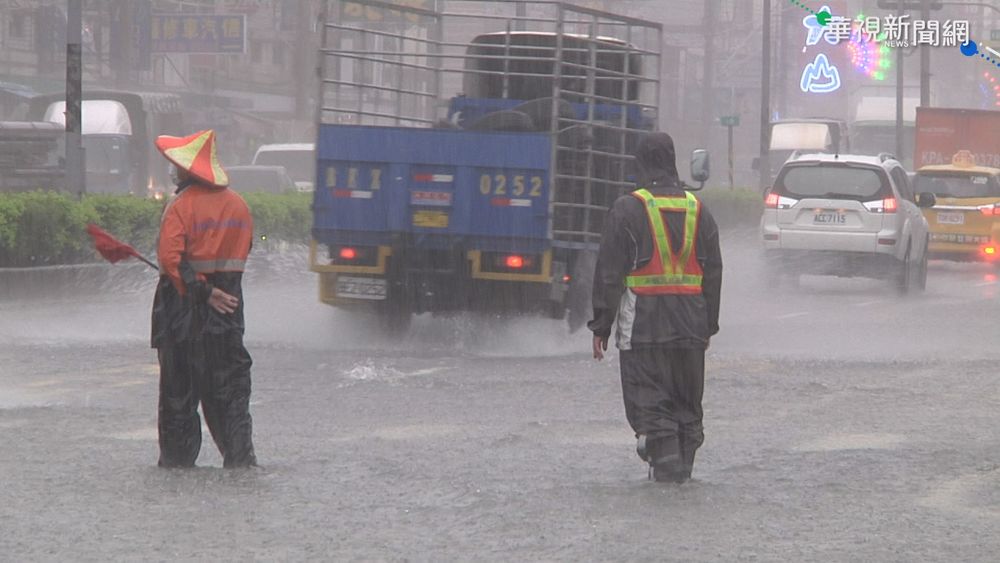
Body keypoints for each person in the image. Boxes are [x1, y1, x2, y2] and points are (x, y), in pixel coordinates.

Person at [589, 132, 722, 483]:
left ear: (641, 164)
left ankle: (664, 480)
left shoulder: (628, 209)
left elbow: (609, 272)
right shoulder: (699, 211)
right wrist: (708, 326)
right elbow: (714, 273)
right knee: (686, 413)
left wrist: (601, 325)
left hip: (645, 332)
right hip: (690, 333)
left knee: (651, 408)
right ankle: (681, 480)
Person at [151, 129, 258, 469]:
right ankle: (240, 463)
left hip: (182, 316)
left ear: (188, 172)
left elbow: (171, 259)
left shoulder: (181, 206)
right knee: (228, 394)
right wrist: (215, 291)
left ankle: (178, 467)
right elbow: (242, 253)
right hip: (228, 314)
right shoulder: (239, 206)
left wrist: (201, 291)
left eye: (178, 167)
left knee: (179, 398)